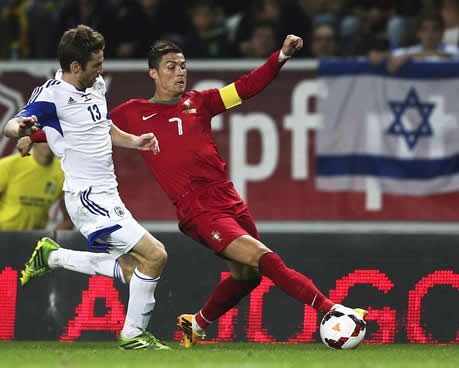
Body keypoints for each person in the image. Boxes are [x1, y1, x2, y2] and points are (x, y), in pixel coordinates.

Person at [108, 35, 367, 348]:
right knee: (265, 259)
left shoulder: (200, 102)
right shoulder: (134, 111)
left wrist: (281, 56)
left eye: (183, 66)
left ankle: (195, 324)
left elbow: (247, 86)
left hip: (228, 199)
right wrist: (34, 135)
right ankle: (331, 311)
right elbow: (86, 126)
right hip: (199, 209)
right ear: (154, 73)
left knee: (248, 276)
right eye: (171, 67)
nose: (180, 72)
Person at [3, 25, 169, 351]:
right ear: (75, 66)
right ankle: (133, 336)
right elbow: (14, 124)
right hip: (87, 197)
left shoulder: (96, 85)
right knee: (156, 255)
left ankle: (54, 256)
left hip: (108, 192)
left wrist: (135, 141)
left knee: (134, 270)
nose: (101, 69)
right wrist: (19, 129)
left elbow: (103, 127)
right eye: (96, 64)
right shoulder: (51, 95)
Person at [0, 142, 73, 231]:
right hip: (4, 234)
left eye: (52, 138)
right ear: (32, 141)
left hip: (36, 238)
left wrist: (54, 236)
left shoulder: (64, 173)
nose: (48, 143)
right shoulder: (8, 165)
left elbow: (69, 220)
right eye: (43, 139)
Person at [369, 12, 459, 74]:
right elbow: (387, 55)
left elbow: (448, 56)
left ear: (442, 33)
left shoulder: (452, 49)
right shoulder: (411, 51)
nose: (430, 34)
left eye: (435, 29)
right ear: (418, 33)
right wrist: (380, 56)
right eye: (425, 29)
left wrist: (408, 57)